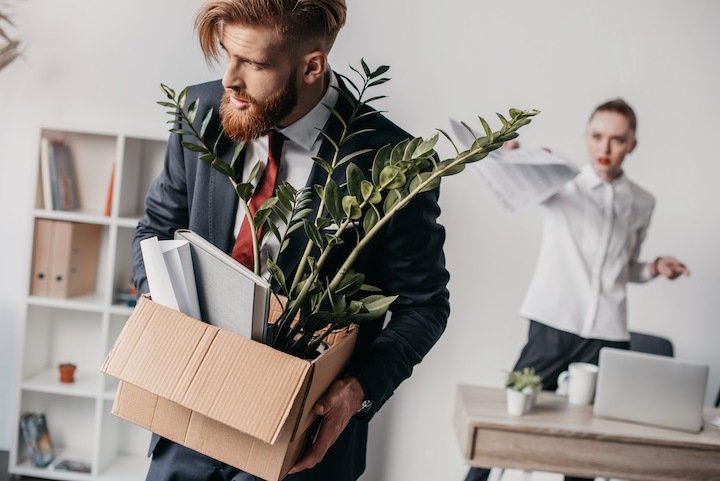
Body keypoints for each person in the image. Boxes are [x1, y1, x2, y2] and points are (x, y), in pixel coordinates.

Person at [132, 1, 450, 481]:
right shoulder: (200, 112)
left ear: (312, 65)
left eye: (254, 64)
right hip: (183, 430)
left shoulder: (392, 163)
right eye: (226, 54)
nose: (229, 80)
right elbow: (155, 227)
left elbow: (424, 304)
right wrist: (157, 297)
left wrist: (357, 391)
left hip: (302, 452)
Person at [465, 98, 689, 481]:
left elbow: (625, 268)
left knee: (591, 442)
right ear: (586, 136)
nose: (605, 148)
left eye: (617, 139)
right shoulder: (560, 182)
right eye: (597, 136)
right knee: (509, 415)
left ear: (632, 143)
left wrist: (653, 268)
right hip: (554, 320)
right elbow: (508, 183)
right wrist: (505, 156)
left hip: (608, 333)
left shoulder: (642, 203)